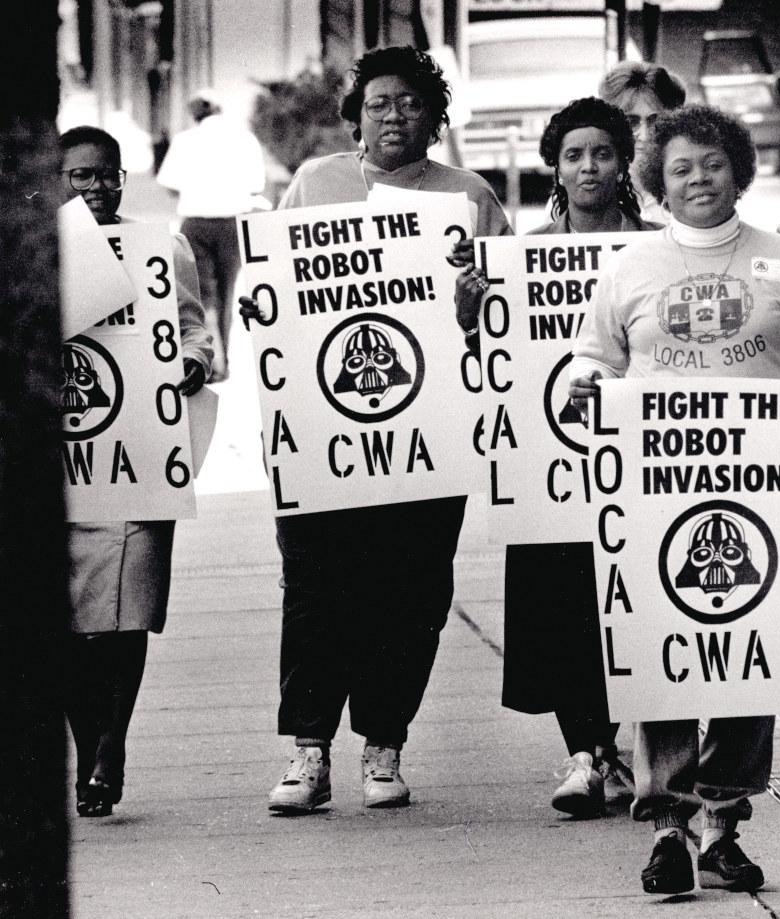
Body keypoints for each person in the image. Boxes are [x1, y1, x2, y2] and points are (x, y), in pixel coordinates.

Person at [568, 105, 780, 894]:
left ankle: (723, 823)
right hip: (654, 488)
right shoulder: (630, 264)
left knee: (751, 652)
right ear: (656, 183)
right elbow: (592, 357)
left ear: (739, 169)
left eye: (711, 164)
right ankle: (668, 828)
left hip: (767, 488)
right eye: (680, 169)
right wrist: (582, 392)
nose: (698, 179)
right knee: (667, 650)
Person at [239, 45, 511, 816]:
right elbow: (271, 299)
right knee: (317, 589)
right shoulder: (314, 184)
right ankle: (310, 750)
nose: (395, 116)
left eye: (412, 103)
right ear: (355, 116)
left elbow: (512, 316)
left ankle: (384, 744)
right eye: (380, 103)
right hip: (326, 434)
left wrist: (475, 299)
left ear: (436, 117)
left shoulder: (469, 196)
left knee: (411, 589)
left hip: (429, 434)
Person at [463, 97, 657, 818]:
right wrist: (472, 308)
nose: (588, 167)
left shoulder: (658, 249)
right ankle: (586, 751)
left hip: (637, 461)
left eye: (601, 153)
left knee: (626, 602)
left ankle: (608, 750)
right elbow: (492, 362)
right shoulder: (521, 259)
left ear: (622, 163)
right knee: (565, 601)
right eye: (573, 155)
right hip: (551, 466)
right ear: (555, 165)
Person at [58, 125, 212, 817]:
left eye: (106, 174)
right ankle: (87, 739)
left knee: (127, 615)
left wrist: (193, 363)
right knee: (62, 623)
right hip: (58, 471)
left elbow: (193, 327)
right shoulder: (30, 253)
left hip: (137, 461)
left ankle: (108, 748)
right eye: (79, 176)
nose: (95, 187)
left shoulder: (162, 247)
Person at [157, 89, 267, 382]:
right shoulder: (245, 139)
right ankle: (224, 361)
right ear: (220, 110)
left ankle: (207, 362)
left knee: (200, 294)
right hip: (233, 223)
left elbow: (167, 183)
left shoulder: (184, 140)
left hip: (196, 222)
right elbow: (257, 185)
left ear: (195, 114)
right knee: (227, 292)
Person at [598, 61, 686, 225]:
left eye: (655, 121)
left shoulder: (689, 186)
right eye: (631, 122)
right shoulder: (583, 193)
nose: (644, 136)